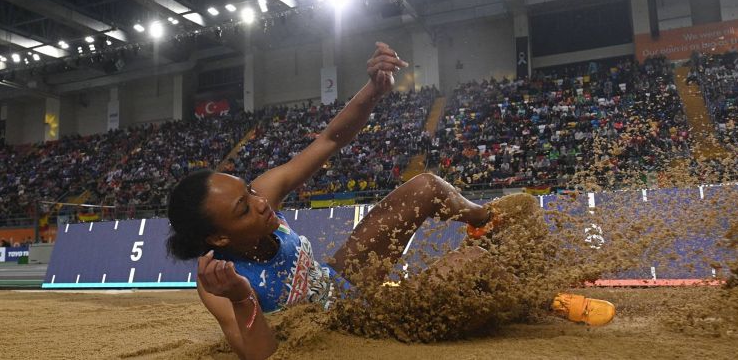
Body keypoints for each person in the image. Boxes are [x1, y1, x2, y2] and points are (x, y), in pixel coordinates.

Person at [166, 43, 615, 360]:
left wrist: (372, 91)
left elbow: (328, 139)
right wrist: (244, 299)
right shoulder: (219, 281)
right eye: (244, 207)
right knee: (473, 267)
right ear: (219, 236)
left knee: (425, 186)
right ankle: (537, 300)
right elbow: (261, 356)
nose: (259, 201)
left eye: (247, 189)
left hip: (344, 281)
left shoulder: (263, 196)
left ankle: (486, 220)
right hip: (346, 323)